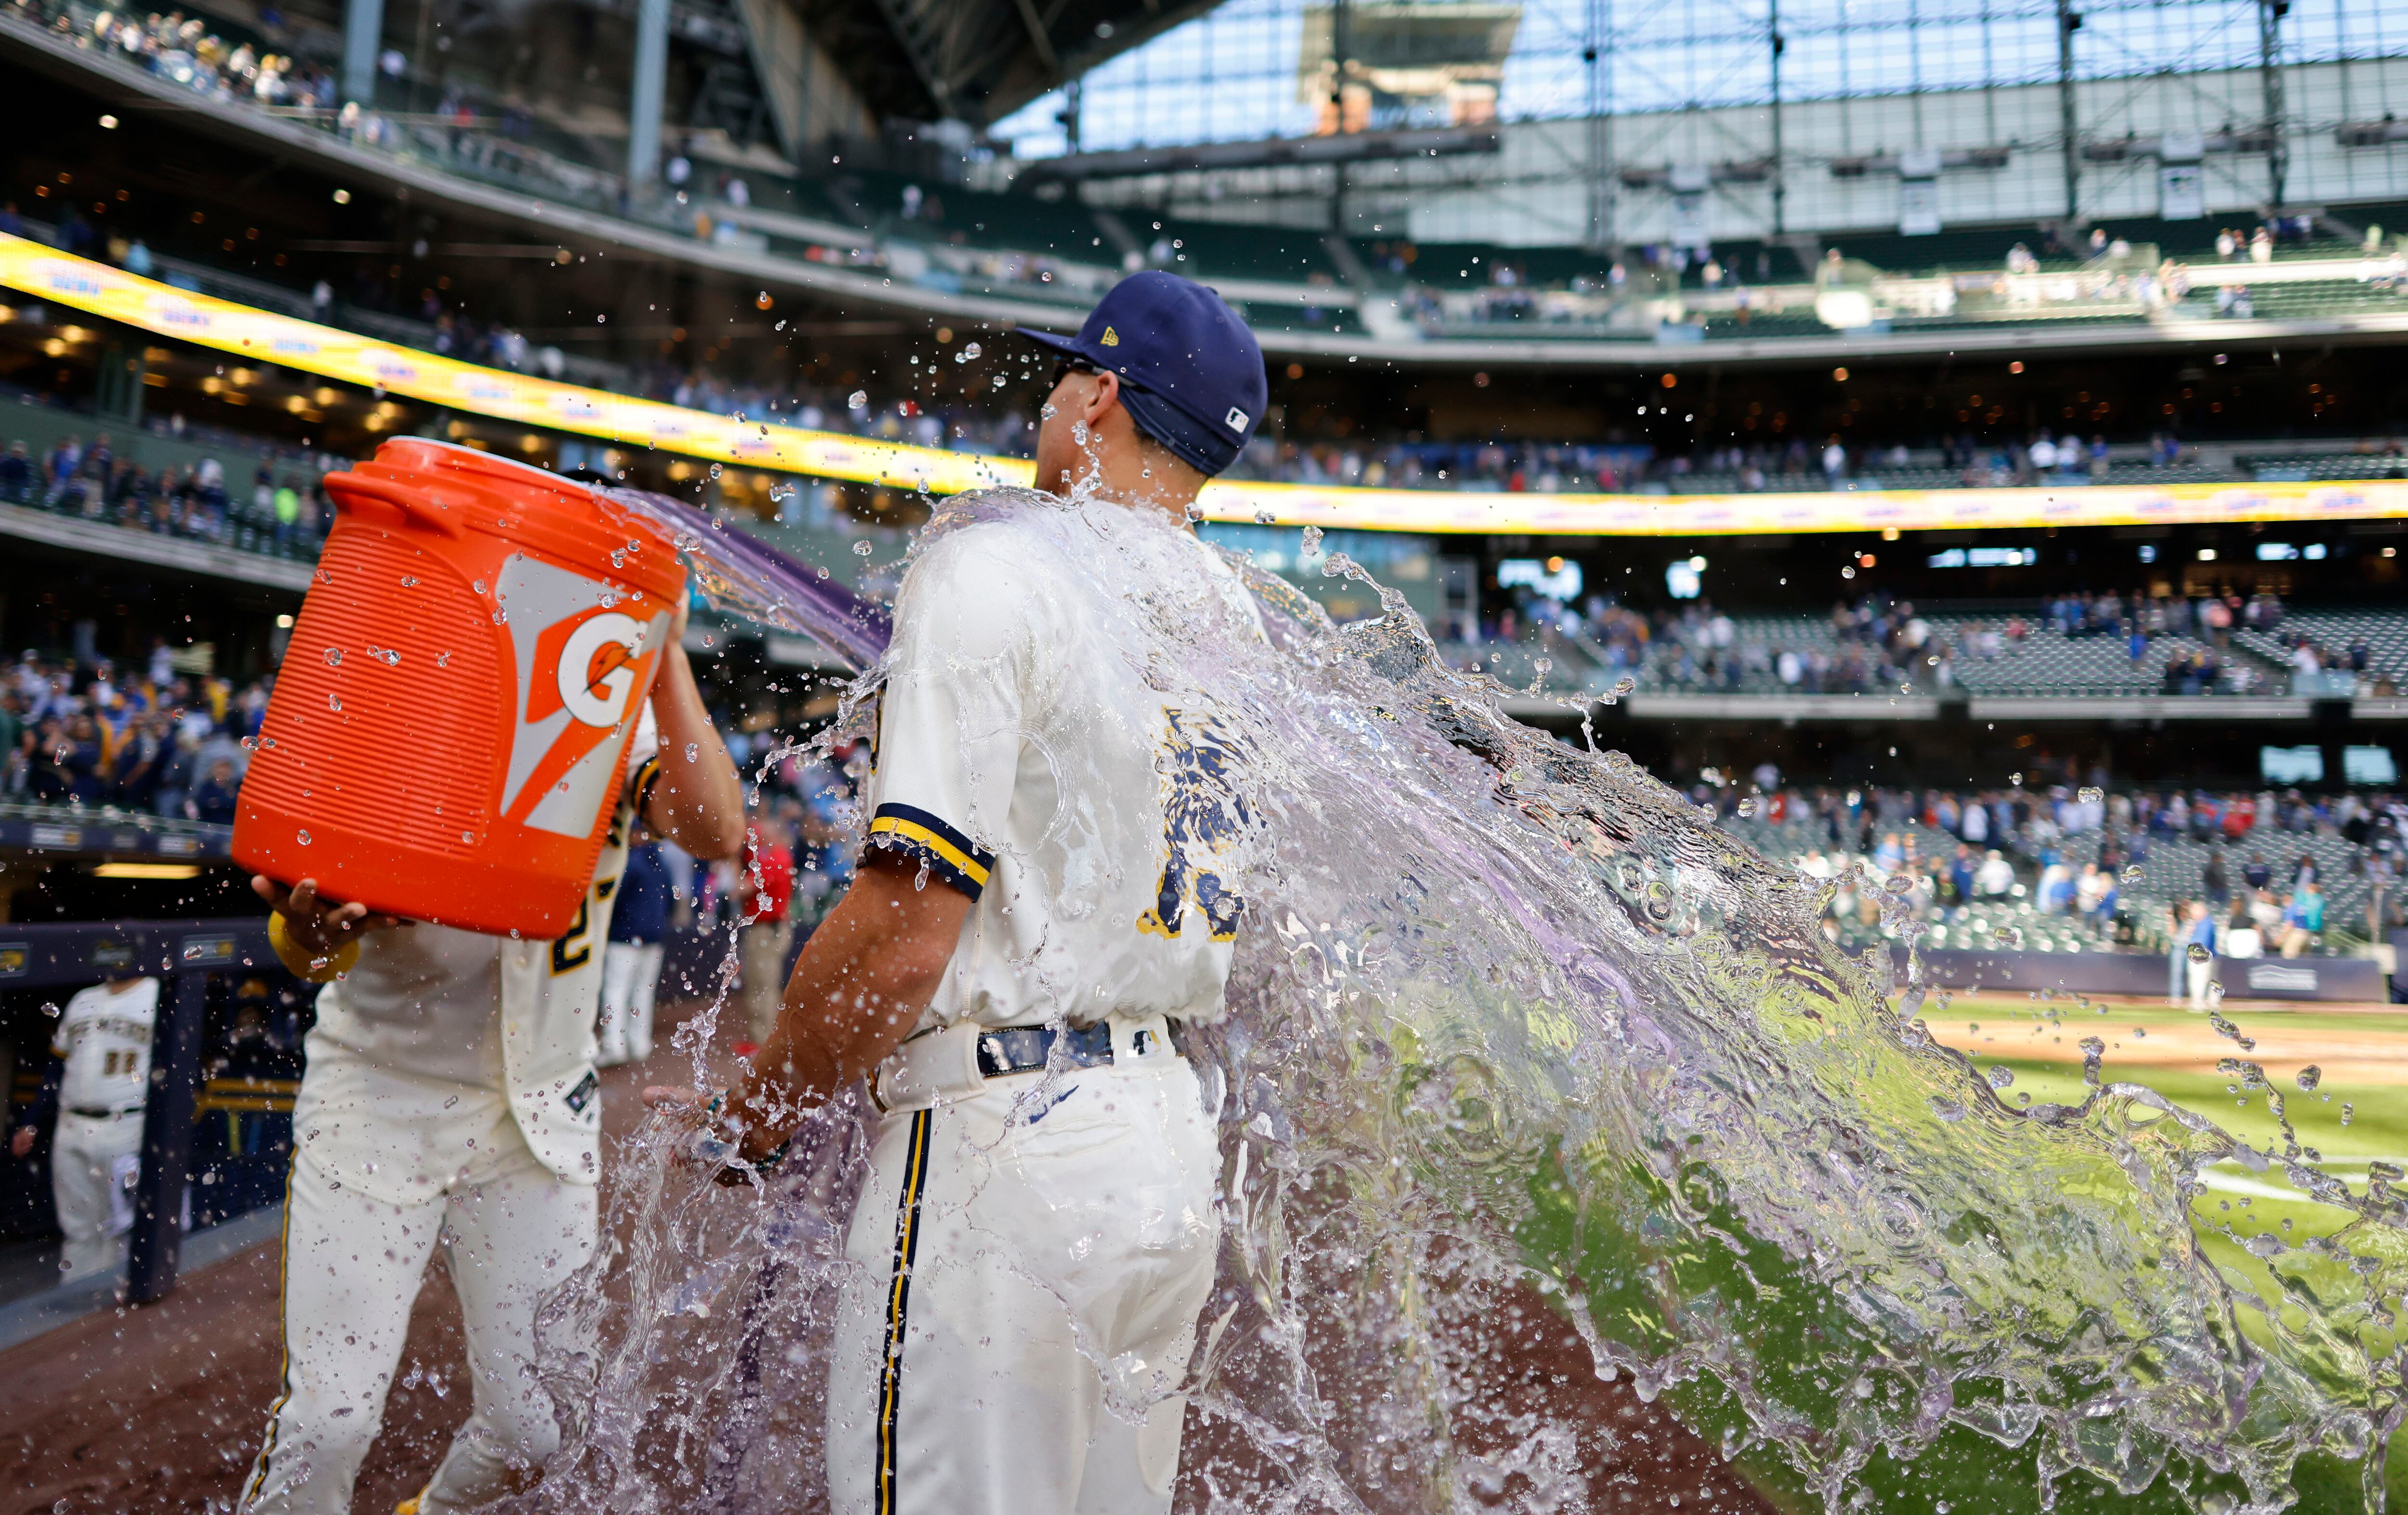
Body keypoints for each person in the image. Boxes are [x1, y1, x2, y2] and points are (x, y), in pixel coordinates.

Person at [661, 272, 1269, 1514]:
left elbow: (900, 936)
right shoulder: (1233, 620)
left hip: (1007, 1153)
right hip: (1164, 1137)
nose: (1046, 397)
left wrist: (758, 1111)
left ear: (1099, 397)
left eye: (1062, 375)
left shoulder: (1001, 565)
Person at [236, 588, 744, 1515]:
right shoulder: (398, 712)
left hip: (542, 1111)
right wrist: (307, 929)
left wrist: (664, 653)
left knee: (540, 1429)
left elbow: (717, 833)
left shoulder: (604, 716)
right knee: (331, 1421)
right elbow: (312, 950)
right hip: (380, 1091)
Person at [10, 974, 162, 1281]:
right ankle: (78, 1300)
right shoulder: (83, 999)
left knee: (122, 1225)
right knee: (78, 1227)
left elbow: (177, 1063)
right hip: (71, 1123)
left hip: (128, 1122)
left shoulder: (157, 993)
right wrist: (31, 1123)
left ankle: (118, 1307)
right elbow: (57, 1066)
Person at [596, 822, 670, 1068]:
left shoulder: (631, 861)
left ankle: (614, 1045)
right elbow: (669, 899)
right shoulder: (661, 863)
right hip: (653, 939)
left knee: (616, 992)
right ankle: (639, 1044)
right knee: (642, 992)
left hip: (625, 938)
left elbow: (612, 900)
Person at [734, 810, 796, 1050]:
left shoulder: (776, 859)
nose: (761, 838)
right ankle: (764, 1038)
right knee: (765, 984)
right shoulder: (779, 857)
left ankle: (763, 1041)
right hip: (771, 930)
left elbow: (741, 889)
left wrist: (732, 862)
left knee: (763, 986)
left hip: (766, 931)